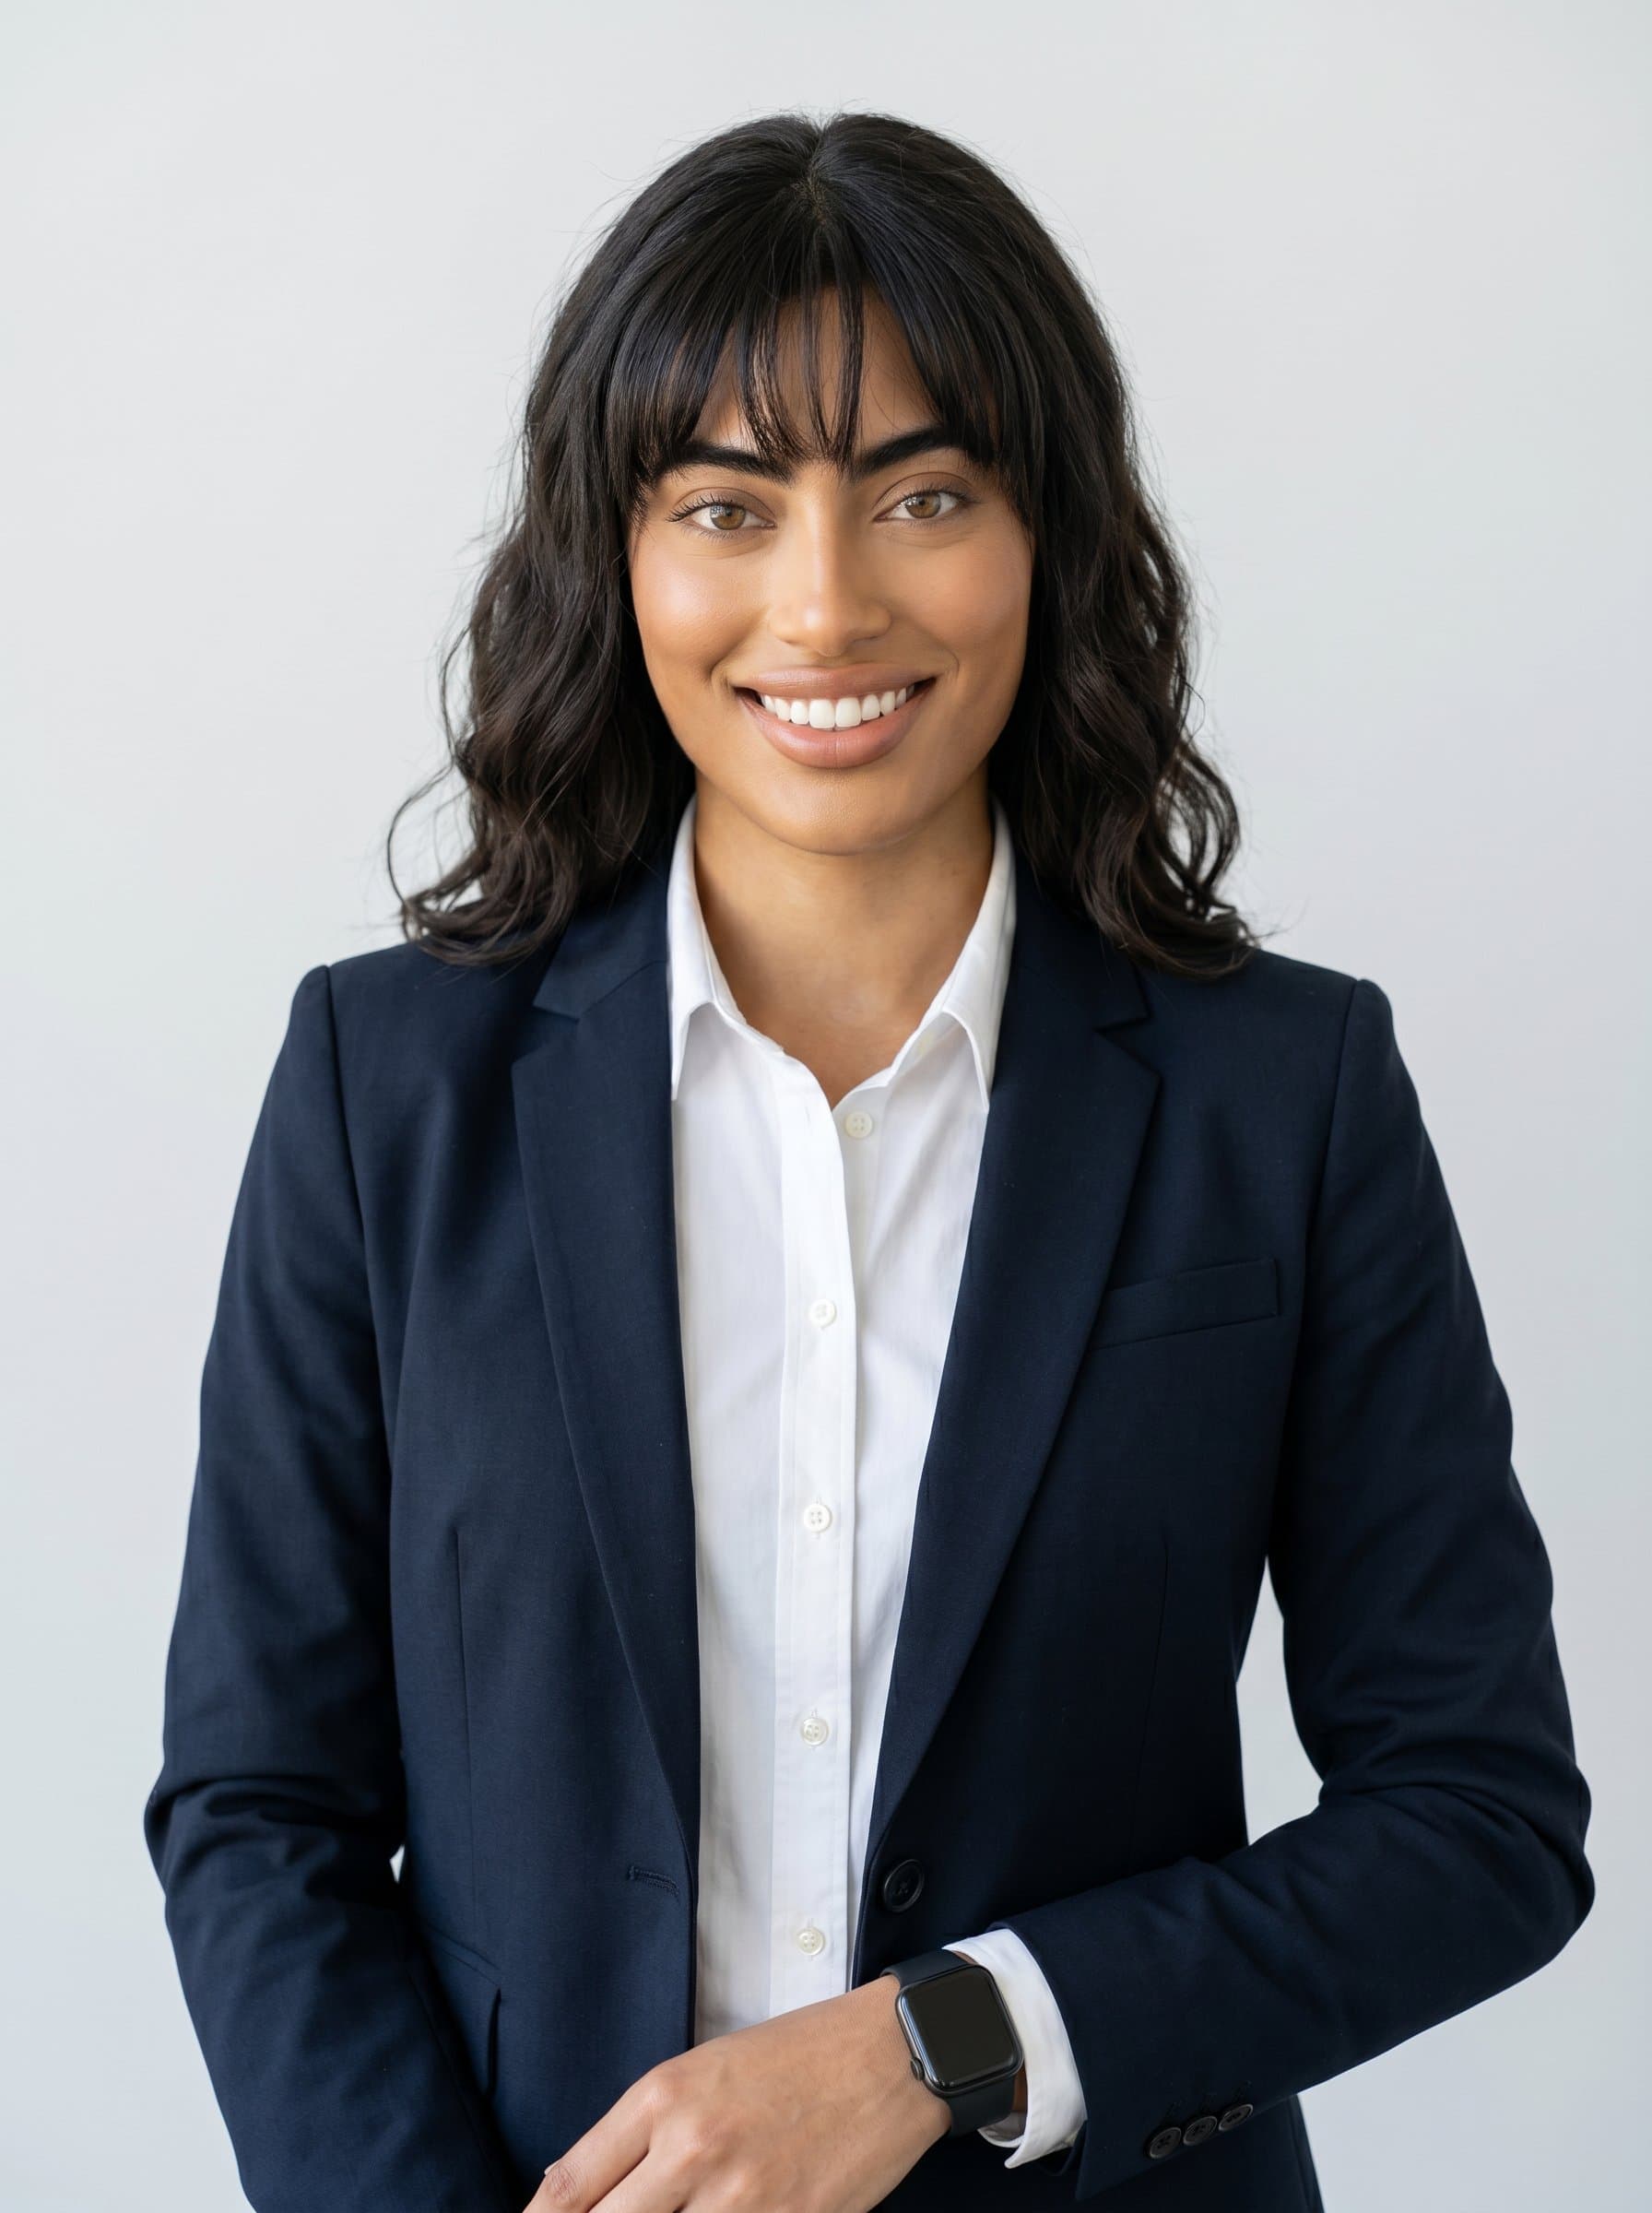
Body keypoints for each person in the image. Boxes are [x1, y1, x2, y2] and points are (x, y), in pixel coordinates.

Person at [144, 111, 1593, 2213]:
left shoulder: (1286, 1093)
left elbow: (1477, 1816)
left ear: (1048, 533)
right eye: (724, 507)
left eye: (924, 494)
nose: (822, 606)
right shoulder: (387, 1089)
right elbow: (259, 1810)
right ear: (616, 558)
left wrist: (953, 2040)